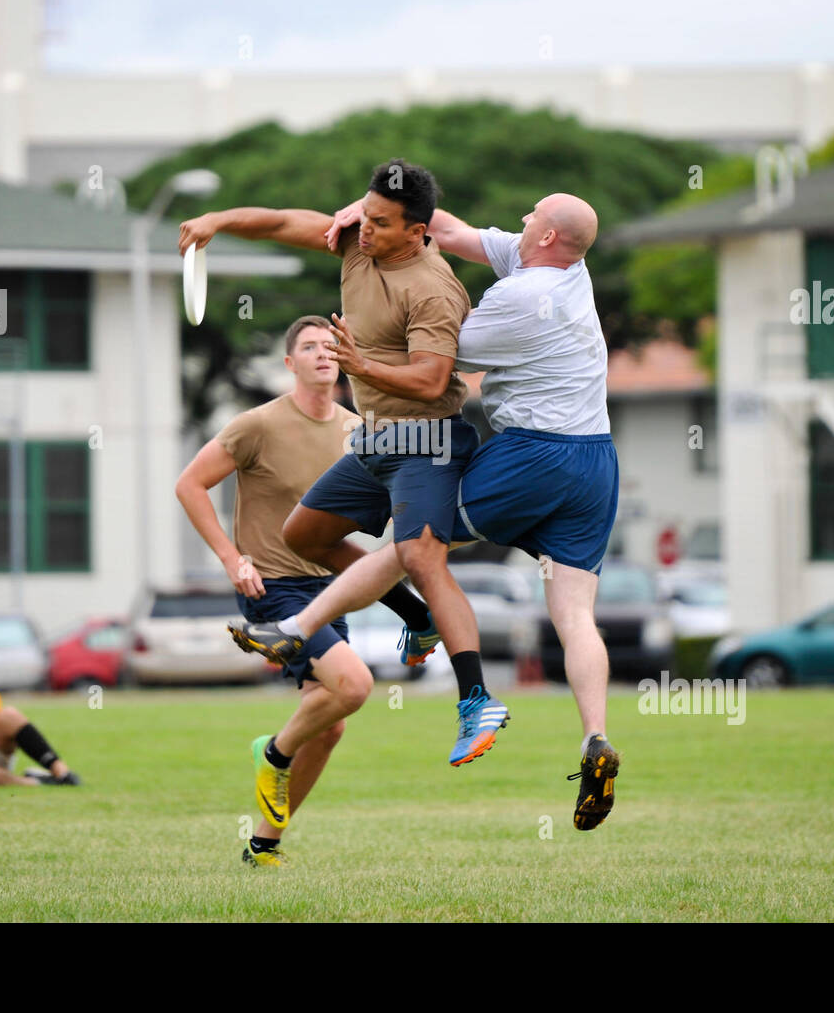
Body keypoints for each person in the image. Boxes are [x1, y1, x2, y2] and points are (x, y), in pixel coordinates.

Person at [245, 193, 621, 830]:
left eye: (532, 215)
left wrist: (368, 343)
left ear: (550, 234)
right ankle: (595, 738)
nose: (521, 219)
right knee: (575, 613)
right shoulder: (565, 269)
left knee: (416, 546)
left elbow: (436, 356)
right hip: (596, 460)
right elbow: (452, 227)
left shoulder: (520, 301)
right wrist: (367, 211)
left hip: (538, 455)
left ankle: (297, 628)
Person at [180, 159, 510, 768]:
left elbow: (434, 377)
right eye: (365, 215)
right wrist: (218, 220)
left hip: (429, 439)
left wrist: (361, 368)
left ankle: (477, 700)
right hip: (379, 439)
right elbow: (284, 222)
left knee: (422, 557)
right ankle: (417, 617)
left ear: (419, 231)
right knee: (305, 533)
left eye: (381, 224)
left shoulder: (433, 288)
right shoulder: (360, 245)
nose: (365, 230)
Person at [176, 316, 369, 867]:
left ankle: (263, 845)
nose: (322, 354)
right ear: (290, 364)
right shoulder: (256, 425)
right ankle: (274, 751)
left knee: (329, 728)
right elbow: (189, 484)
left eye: (331, 346)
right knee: (353, 686)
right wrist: (231, 558)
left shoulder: (359, 429)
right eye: (309, 347)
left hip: (331, 587)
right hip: (274, 587)